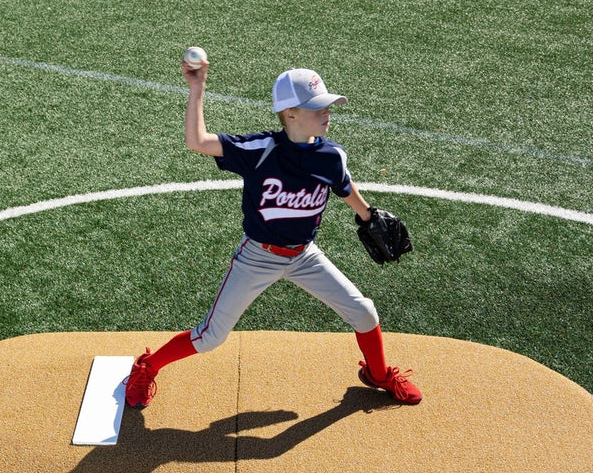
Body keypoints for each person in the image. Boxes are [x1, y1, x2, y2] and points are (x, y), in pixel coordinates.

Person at [124, 55, 421, 409]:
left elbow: (343, 186)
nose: (327, 113)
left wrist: (367, 214)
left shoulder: (331, 155)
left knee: (364, 313)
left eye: (328, 106)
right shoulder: (259, 150)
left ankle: (378, 373)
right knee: (209, 338)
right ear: (290, 114)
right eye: (317, 108)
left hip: (305, 255)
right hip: (257, 257)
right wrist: (197, 88)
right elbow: (198, 142)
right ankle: (147, 367)